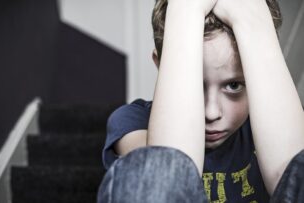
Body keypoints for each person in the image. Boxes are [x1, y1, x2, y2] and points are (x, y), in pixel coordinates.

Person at [98, 0, 304, 202]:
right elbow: (161, 179)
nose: (211, 112)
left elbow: (293, 182)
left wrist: (252, 24)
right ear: (162, 65)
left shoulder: (270, 126)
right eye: (195, 84)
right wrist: (185, 11)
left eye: (233, 85)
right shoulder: (131, 122)